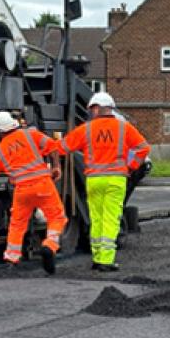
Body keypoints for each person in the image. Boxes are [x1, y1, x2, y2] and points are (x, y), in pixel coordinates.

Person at [58, 93, 150, 272]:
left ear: (97, 108)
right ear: (110, 108)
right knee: (110, 219)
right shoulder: (124, 128)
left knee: (96, 218)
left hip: (94, 180)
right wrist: (130, 167)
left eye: (92, 108)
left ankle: (97, 257)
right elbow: (143, 148)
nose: (91, 112)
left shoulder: (86, 129)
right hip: (116, 180)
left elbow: (63, 147)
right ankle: (106, 261)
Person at [0, 112, 66, 274]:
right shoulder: (31, 135)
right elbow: (54, 146)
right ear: (14, 124)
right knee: (57, 217)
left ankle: (12, 259)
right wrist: (56, 167)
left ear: (0, 131)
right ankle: (50, 245)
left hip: (22, 190)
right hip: (43, 185)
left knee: (17, 224)